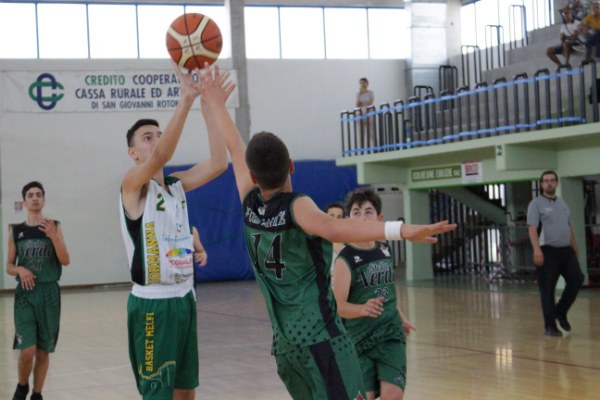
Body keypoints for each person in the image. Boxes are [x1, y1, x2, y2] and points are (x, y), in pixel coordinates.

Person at [196, 63, 457, 399]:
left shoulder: (249, 202)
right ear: (291, 165)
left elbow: (235, 148)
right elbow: (334, 228)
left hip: (286, 346)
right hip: (321, 339)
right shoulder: (297, 206)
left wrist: (216, 105)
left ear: (254, 176)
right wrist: (402, 229)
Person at [118, 62, 229, 400]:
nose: (156, 141)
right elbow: (164, 153)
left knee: (186, 392)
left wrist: (210, 108)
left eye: (158, 135)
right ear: (133, 153)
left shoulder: (176, 185)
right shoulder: (132, 184)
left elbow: (219, 163)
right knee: (158, 395)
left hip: (184, 298)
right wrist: (186, 99)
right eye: (147, 138)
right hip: (153, 305)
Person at [333, 188, 415, 400]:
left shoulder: (384, 249)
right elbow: (338, 306)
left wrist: (400, 316)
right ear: (348, 219)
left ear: (379, 218)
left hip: (389, 334)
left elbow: (386, 291)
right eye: (356, 212)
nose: (362, 217)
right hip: (359, 340)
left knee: (393, 395)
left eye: (368, 212)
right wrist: (361, 309)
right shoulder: (345, 259)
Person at [7, 181, 70, 400]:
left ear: (43, 200)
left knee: (43, 352)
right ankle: (22, 386)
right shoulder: (16, 231)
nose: (34, 198)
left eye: (38, 195)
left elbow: (65, 260)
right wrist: (19, 269)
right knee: (27, 351)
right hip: (25, 295)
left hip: (49, 293)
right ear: (24, 202)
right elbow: (8, 266)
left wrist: (53, 236)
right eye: (30, 195)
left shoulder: (54, 226)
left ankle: (37, 394)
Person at [527, 170, 585, 337]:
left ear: (557, 183)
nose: (549, 183)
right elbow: (532, 228)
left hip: (566, 251)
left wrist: (575, 248)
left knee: (577, 279)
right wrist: (537, 250)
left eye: (552, 180)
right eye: (546, 180)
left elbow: (569, 227)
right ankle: (550, 326)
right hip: (547, 251)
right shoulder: (536, 204)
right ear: (541, 184)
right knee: (547, 289)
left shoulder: (563, 203)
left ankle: (561, 311)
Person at [356, 77, 376, 147]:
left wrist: (364, 105)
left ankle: (375, 147)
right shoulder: (358, 94)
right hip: (361, 113)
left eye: (363, 83)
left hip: (369, 113)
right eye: (361, 83)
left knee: (371, 132)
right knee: (361, 133)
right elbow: (357, 104)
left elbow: (370, 102)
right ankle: (362, 149)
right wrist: (359, 95)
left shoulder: (370, 93)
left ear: (367, 84)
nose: (362, 85)